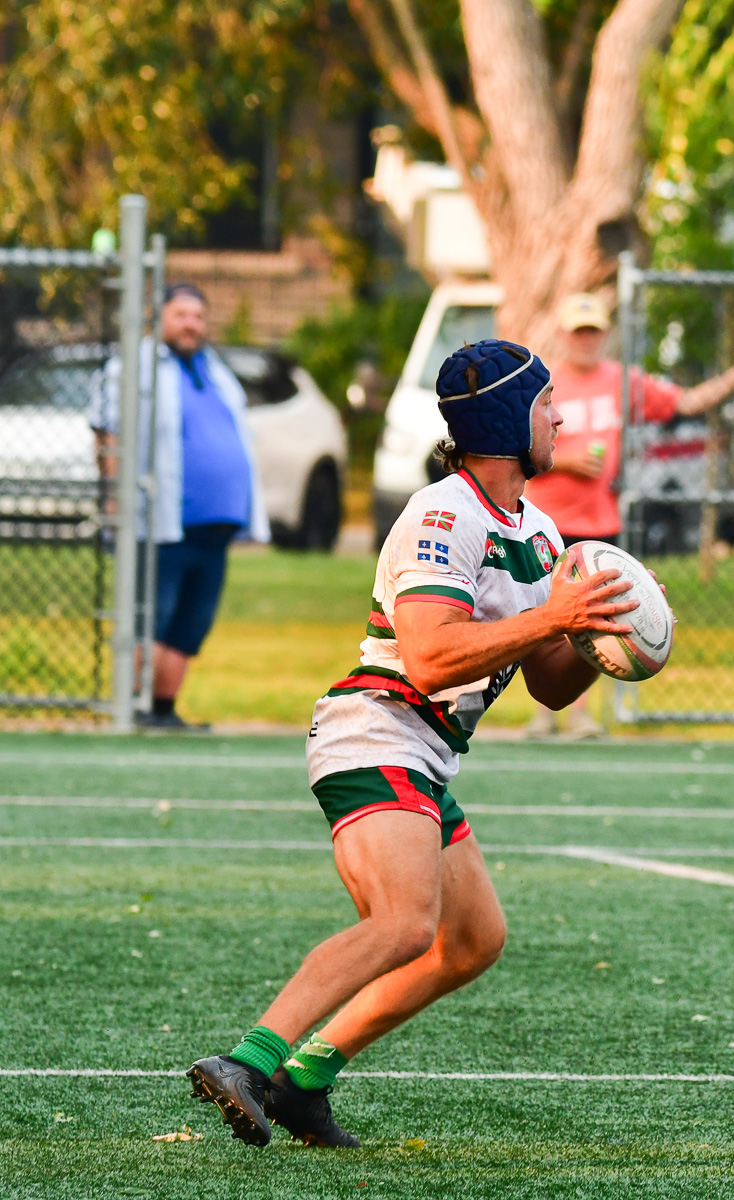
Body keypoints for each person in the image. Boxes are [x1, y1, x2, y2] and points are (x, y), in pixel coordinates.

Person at [186, 339, 639, 1148]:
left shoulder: (537, 531)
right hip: (376, 729)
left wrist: (613, 638)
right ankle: (248, 1062)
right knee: (404, 922)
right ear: (507, 421)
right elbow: (431, 658)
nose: (562, 417)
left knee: (473, 941)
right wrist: (556, 618)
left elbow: (550, 682)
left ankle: (304, 1079)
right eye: (546, 406)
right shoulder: (441, 514)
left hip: (426, 751)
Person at [521, 292, 734, 738]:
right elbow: (515, 454)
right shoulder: (543, 383)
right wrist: (567, 461)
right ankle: (543, 711)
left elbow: (687, 403)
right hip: (547, 520)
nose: (586, 339)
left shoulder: (620, 381)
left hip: (598, 524)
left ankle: (579, 713)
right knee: (544, 618)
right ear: (562, 334)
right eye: (578, 331)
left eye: (593, 331)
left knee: (595, 620)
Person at [93, 283, 270, 731]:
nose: (191, 324)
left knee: (191, 624)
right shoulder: (135, 367)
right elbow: (107, 428)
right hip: (161, 521)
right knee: (154, 615)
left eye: (198, 315)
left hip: (216, 527)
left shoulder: (214, 370)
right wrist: (114, 490)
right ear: (160, 318)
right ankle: (133, 707)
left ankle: (164, 711)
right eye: (181, 314)